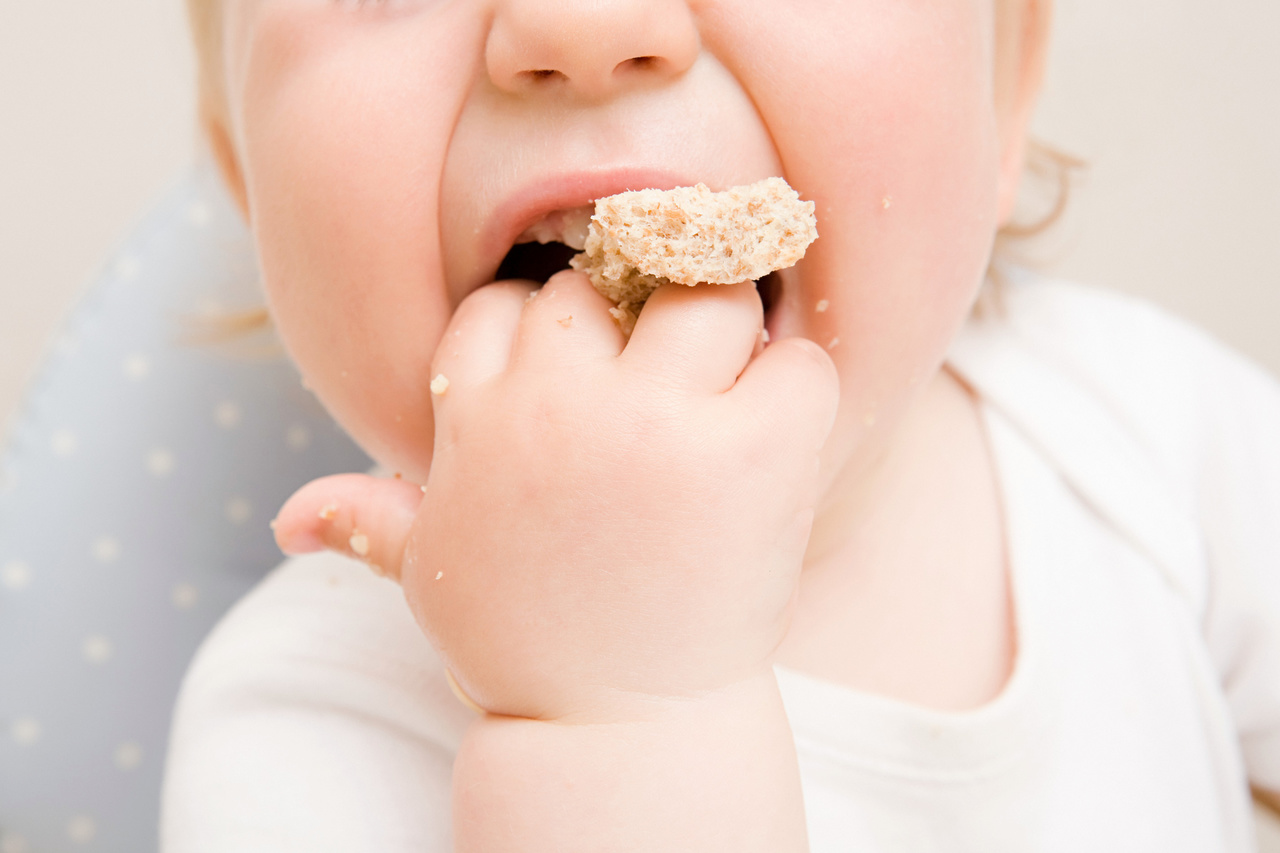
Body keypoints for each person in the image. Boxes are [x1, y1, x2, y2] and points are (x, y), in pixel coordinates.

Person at [161, 0, 1280, 850]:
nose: (584, 26)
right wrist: (616, 731)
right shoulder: (299, 721)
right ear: (248, 188)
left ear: (1003, 95)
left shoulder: (1152, 430)